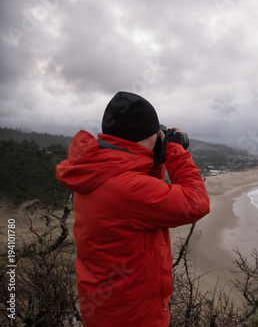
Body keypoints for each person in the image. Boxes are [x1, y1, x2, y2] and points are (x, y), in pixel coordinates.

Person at [56, 91, 210, 326]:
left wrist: (155, 159)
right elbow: (196, 202)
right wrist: (175, 152)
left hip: (106, 310)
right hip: (134, 316)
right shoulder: (129, 190)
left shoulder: (98, 170)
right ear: (146, 135)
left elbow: (143, 191)